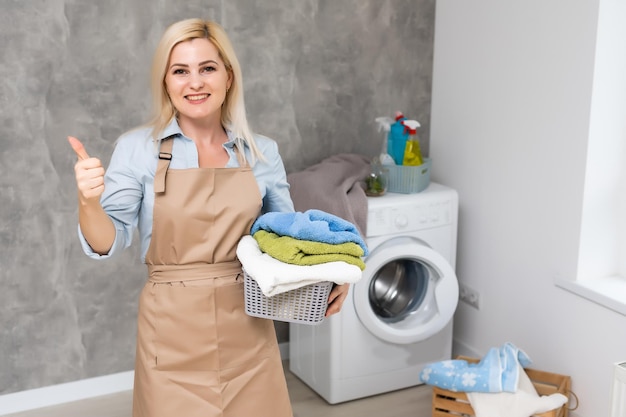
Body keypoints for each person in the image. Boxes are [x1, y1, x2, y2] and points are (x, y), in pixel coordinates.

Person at [68, 18, 350, 417]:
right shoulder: (137, 150)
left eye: (207, 68)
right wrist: (88, 202)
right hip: (171, 337)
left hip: (248, 332)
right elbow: (107, 241)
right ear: (166, 82)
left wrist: (335, 274)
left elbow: (286, 243)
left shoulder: (261, 152)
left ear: (228, 76)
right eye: (180, 71)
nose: (194, 82)